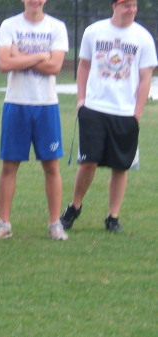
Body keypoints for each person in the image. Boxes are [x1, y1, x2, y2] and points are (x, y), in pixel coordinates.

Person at [60, 0, 157, 232]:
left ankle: (113, 217)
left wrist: (137, 113)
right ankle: (74, 206)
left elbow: (146, 78)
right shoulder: (94, 32)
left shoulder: (143, 37)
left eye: (134, 5)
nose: (132, 10)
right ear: (114, 6)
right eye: (126, 5)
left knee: (121, 166)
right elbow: (83, 66)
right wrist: (81, 100)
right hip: (94, 108)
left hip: (125, 112)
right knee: (88, 161)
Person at [0, 0, 69, 241]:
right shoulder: (9, 25)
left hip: (46, 106)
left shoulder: (57, 27)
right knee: (9, 166)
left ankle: (55, 224)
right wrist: (41, 55)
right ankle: (4, 224)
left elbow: (55, 66)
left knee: (51, 166)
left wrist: (21, 55)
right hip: (16, 104)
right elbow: (4, 63)